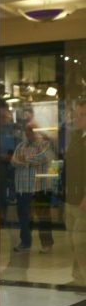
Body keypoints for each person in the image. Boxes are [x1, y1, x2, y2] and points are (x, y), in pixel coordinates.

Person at [11, 120, 55, 254]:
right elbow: (13, 161)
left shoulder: (45, 144)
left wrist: (25, 160)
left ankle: (47, 243)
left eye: (32, 130)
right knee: (24, 217)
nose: (28, 132)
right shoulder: (21, 145)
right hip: (23, 188)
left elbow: (44, 157)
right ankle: (25, 243)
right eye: (27, 130)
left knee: (43, 217)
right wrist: (27, 160)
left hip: (40, 188)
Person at [63, 100, 86, 288]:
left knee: (80, 241)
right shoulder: (77, 137)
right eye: (78, 114)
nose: (78, 119)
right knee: (73, 240)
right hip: (71, 198)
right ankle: (78, 278)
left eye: (83, 115)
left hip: (83, 200)